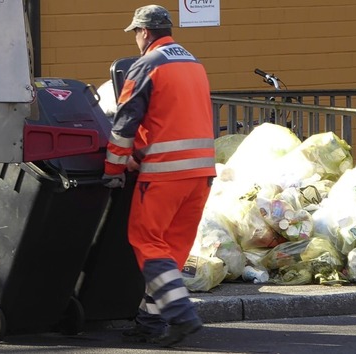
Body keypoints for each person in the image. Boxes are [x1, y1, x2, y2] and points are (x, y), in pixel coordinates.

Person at [102, 4, 216, 347]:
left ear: (145, 33)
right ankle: (150, 322)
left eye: (136, 33)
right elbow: (173, 117)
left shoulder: (147, 65)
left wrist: (113, 168)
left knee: (146, 242)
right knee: (171, 250)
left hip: (165, 173)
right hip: (202, 173)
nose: (136, 39)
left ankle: (181, 316)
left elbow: (124, 125)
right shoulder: (194, 65)